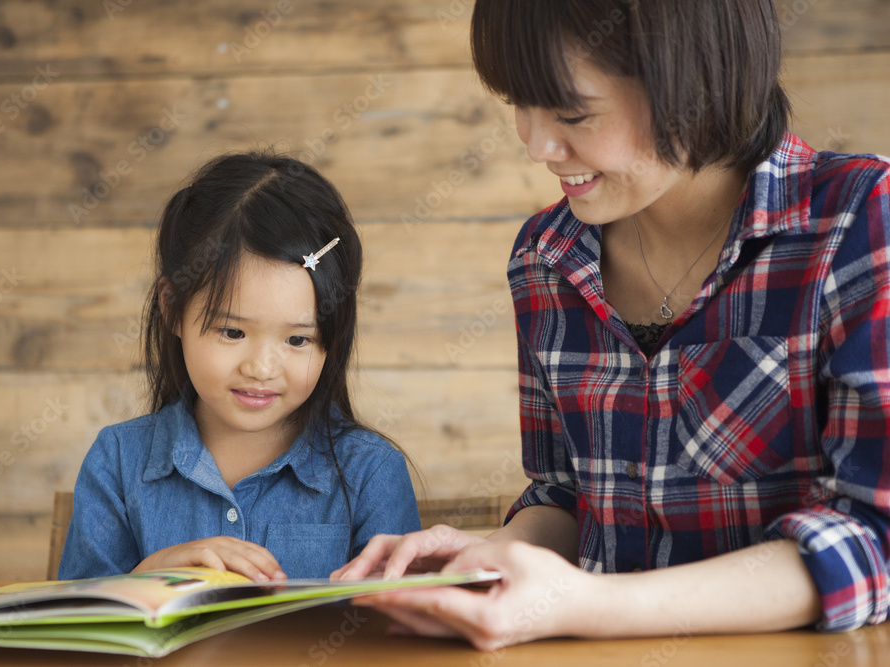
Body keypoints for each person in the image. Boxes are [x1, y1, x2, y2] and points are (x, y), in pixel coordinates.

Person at [333, 0, 890, 649]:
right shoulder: (545, 257)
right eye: (518, 101)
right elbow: (570, 494)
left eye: (573, 113)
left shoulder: (855, 223)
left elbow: (876, 538)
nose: (537, 144)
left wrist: (589, 604)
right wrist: (495, 554)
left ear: (696, 83)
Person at [59, 151, 421, 581]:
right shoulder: (117, 461)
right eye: (232, 333)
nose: (262, 368)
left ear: (332, 339)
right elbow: (80, 628)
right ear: (172, 308)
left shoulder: (371, 473)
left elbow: (399, 630)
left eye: (297, 340)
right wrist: (149, 575)